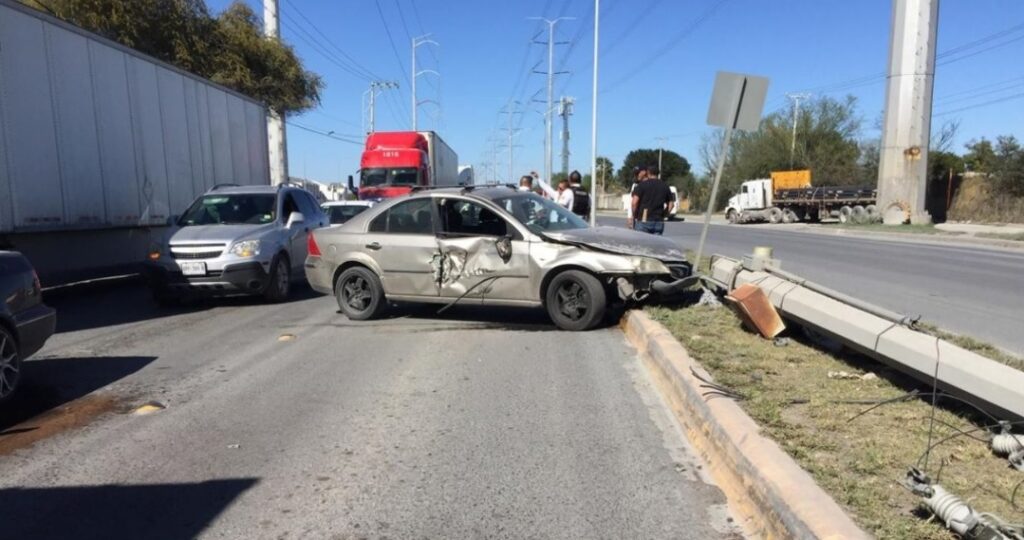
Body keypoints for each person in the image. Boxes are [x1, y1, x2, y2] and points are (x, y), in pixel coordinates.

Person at [629, 165, 672, 234]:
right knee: (655, 243)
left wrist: (634, 215)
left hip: (644, 220)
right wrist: (664, 214)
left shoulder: (642, 185)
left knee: (642, 243)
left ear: (648, 173)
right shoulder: (665, 186)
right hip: (659, 221)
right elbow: (670, 204)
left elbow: (634, 202)